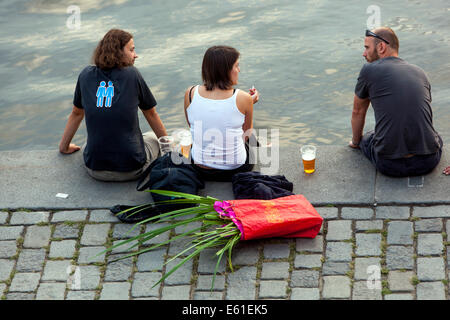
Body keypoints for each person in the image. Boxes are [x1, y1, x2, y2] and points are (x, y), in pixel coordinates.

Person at [59, 28, 168, 181]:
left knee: (88, 144)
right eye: (131, 50)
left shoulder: (85, 75)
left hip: (94, 169)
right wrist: (169, 150)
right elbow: (151, 114)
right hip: (131, 169)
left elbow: (77, 113)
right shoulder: (132, 74)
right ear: (119, 52)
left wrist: (64, 147)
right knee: (152, 138)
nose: (135, 55)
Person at [349, 27, 443, 177]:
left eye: (367, 48)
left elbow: (357, 111)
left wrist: (356, 142)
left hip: (389, 165)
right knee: (434, 135)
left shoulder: (368, 70)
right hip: (428, 161)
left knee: (368, 138)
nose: (364, 53)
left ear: (381, 47)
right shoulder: (420, 72)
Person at [183, 45, 259, 181]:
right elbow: (246, 134)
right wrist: (248, 105)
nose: (239, 70)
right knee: (251, 140)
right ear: (225, 70)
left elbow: (192, 124)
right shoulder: (243, 98)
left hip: (200, 167)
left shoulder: (190, 93)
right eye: (236, 66)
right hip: (235, 168)